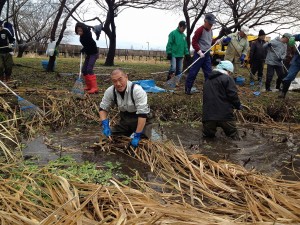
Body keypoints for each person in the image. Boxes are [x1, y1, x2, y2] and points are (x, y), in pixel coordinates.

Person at [99, 69, 152, 148]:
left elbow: (142, 115)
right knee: (109, 138)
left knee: (142, 144)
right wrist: (105, 124)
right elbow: (103, 108)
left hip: (141, 120)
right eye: (114, 81)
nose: (118, 84)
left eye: (120, 80)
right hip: (125, 121)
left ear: (126, 77)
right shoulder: (110, 91)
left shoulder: (137, 90)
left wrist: (137, 135)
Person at [202, 60, 242, 139]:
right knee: (234, 138)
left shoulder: (207, 80)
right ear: (227, 70)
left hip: (208, 116)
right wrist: (238, 105)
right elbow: (233, 95)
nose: (230, 74)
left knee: (208, 139)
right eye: (230, 72)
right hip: (225, 115)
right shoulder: (227, 79)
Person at [185, 13, 219, 95]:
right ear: (205, 21)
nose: (211, 25)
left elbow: (209, 41)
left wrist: (215, 41)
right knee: (193, 72)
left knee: (209, 73)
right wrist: (199, 51)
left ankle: (208, 89)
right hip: (199, 54)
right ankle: (188, 89)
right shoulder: (200, 30)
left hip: (207, 54)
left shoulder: (211, 31)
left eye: (212, 24)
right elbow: (194, 42)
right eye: (210, 24)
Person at [75, 22, 99, 94]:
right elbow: (86, 46)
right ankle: (89, 86)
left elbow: (89, 44)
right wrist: (83, 49)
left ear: (84, 30)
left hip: (94, 54)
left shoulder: (88, 35)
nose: (79, 32)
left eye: (81, 30)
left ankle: (94, 88)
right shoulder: (81, 38)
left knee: (89, 69)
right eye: (78, 31)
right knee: (84, 70)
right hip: (89, 54)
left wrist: (88, 29)